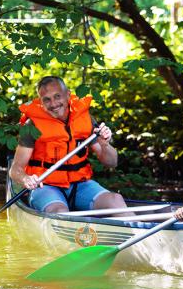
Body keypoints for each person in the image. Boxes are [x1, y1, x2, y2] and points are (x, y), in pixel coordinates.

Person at [9, 75, 127, 214]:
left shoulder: (85, 119)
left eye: (57, 96)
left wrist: (105, 145)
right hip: (45, 186)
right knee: (59, 211)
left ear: (68, 95)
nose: (53, 104)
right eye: (46, 99)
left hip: (80, 185)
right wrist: (25, 178)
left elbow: (112, 162)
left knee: (116, 200)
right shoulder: (32, 126)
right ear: (40, 102)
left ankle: (138, 234)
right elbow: (15, 170)